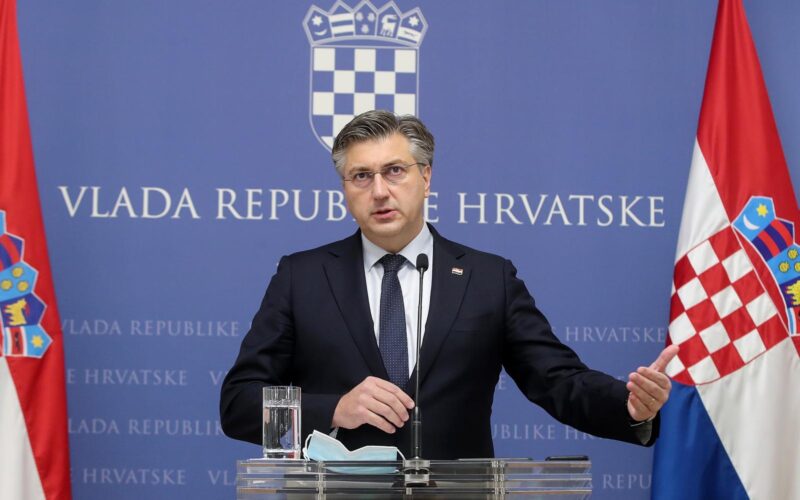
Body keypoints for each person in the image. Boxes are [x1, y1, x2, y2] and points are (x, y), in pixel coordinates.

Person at [220, 110, 678, 459]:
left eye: (394, 171)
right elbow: (239, 403)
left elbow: (557, 380)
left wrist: (628, 407)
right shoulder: (302, 277)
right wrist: (332, 409)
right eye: (361, 176)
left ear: (426, 177)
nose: (379, 190)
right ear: (345, 188)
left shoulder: (488, 279)